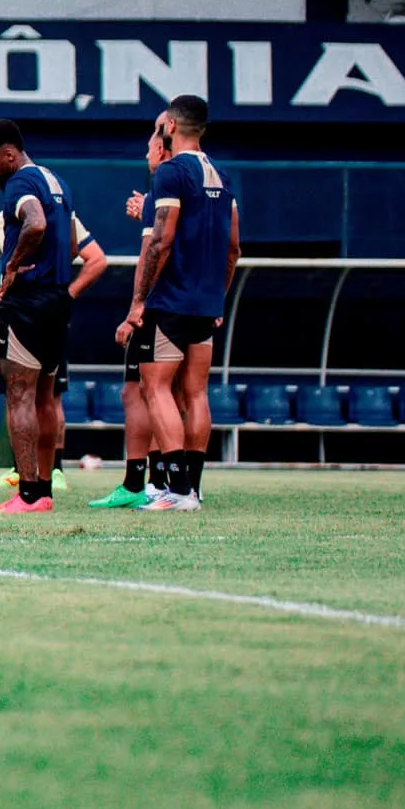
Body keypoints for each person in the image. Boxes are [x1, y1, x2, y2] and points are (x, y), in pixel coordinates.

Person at [119, 95, 239, 513]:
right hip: (205, 303)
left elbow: (162, 241)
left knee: (155, 388)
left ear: (170, 125)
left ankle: (179, 490)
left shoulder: (171, 172)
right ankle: (195, 487)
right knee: (197, 393)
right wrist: (218, 297)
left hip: (170, 301)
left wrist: (138, 301)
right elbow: (233, 249)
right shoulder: (222, 177)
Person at [0, 118, 79, 515]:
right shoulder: (56, 181)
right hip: (57, 296)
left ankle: (28, 493)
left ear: (10, 154)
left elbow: (34, 223)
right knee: (47, 397)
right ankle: (45, 488)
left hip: (29, 301)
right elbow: (69, 242)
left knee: (20, 394)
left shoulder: (20, 182)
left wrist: (14, 266)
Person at [0, 202, 108, 495]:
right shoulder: (3, 217)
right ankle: (22, 470)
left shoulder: (61, 215)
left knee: (49, 396)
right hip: (16, 313)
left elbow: (96, 259)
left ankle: (54, 470)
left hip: (43, 310)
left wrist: (67, 295)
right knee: (19, 394)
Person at [91, 130, 174, 509]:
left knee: (148, 392)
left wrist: (135, 308)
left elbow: (153, 249)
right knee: (171, 392)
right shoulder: (210, 183)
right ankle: (171, 482)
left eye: (148, 147)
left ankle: (150, 482)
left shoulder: (166, 186)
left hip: (158, 306)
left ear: (162, 145)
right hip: (193, 304)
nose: (145, 154)